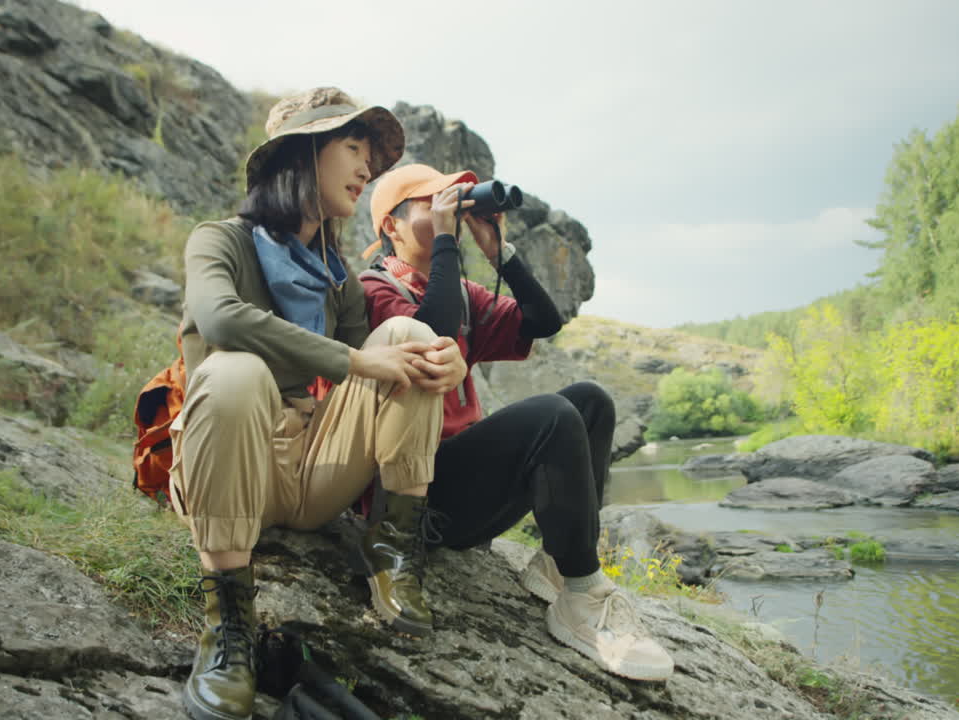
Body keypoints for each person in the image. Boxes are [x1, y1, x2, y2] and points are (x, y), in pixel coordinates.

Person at [169, 88, 467, 720]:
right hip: (230, 463)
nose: (367, 168)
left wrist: (445, 361)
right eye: (352, 147)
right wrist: (357, 361)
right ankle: (229, 629)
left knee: (411, 339)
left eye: (370, 155)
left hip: (309, 471)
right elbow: (221, 320)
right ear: (300, 154)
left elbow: (388, 366)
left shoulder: (336, 273)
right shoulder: (217, 241)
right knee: (235, 372)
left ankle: (391, 549)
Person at [357, 164, 675, 682]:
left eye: (451, 201)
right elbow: (429, 331)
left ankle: (560, 565)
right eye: (429, 203)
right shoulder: (373, 289)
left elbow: (543, 321)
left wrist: (495, 249)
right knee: (550, 415)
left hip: (465, 485)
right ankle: (584, 598)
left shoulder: (459, 290)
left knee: (590, 401)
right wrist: (445, 241)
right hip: (414, 497)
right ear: (390, 227)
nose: (448, 211)